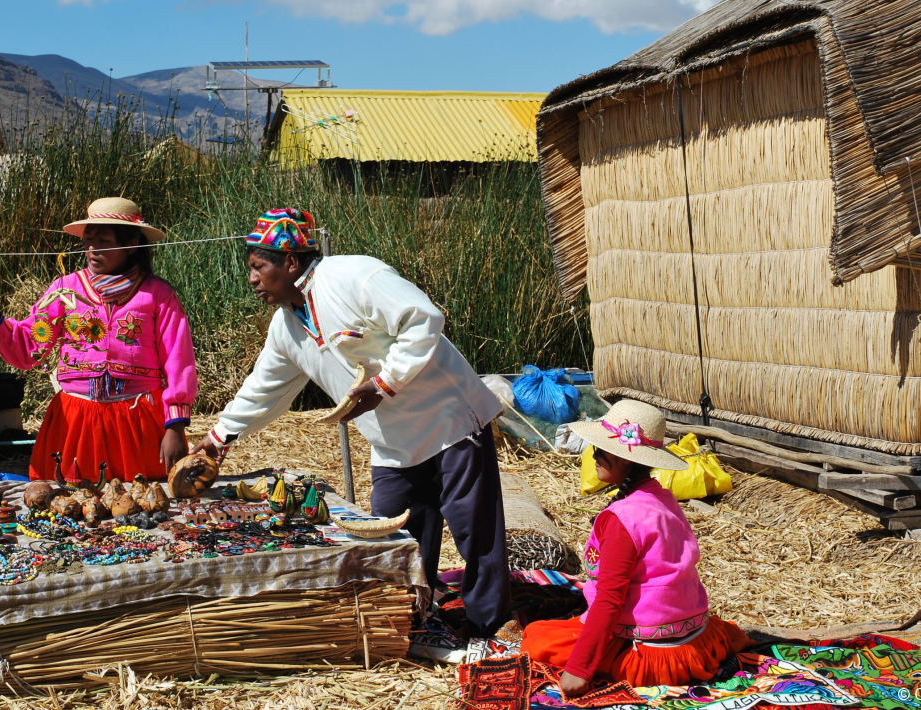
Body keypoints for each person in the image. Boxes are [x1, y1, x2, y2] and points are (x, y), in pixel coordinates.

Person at [190, 208, 510, 635]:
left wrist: (384, 383)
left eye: (258, 267)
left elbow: (423, 318)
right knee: (389, 536)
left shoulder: (354, 276)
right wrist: (218, 437)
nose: (252, 279)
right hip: (392, 442)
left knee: (475, 529)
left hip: (448, 417)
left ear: (289, 261)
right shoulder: (286, 326)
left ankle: (491, 624)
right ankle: (407, 622)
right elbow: (264, 388)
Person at [522, 400, 750, 697]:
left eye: (602, 449)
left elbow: (609, 601)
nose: (594, 455)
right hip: (694, 639)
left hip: (654, 656)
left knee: (536, 637)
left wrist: (580, 669)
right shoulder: (662, 498)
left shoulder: (623, 521)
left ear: (625, 458)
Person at [0, 197, 197, 482]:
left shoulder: (157, 295)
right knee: (74, 502)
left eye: (103, 241)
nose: (91, 249)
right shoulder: (65, 290)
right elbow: (28, 351)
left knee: (144, 501)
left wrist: (174, 426)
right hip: (76, 420)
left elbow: (179, 361)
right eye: (88, 240)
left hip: (138, 420)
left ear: (131, 244)